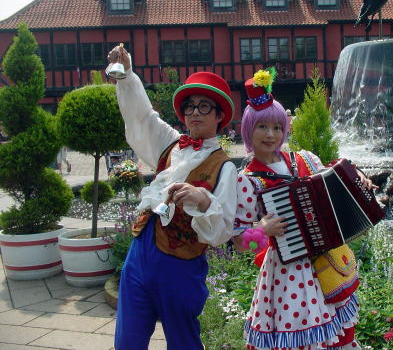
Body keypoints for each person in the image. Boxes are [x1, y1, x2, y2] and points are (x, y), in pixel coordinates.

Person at [106, 46, 238, 350]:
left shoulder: (225, 167)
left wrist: (203, 201)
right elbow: (142, 118)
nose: (195, 113)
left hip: (180, 266)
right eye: (190, 107)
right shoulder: (171, 143)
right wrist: (126, 76)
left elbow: (222, 231)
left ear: (219, 115)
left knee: (183, 342)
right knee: (127, 341)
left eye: (204, 107)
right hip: (140, 256)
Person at [233, 69, 368, 349]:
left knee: (338, 336)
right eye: (262, 127)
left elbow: (335, 181)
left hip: (327, 262)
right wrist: (262, 230)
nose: (271, 134)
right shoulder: (246, 180)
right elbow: (239, 242)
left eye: (277, 127)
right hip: (288, 273)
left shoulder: (304, 160)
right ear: (248, 130)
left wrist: (358, 179)